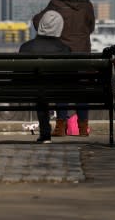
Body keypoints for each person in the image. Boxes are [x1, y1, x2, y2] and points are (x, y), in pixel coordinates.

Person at [32, 0, 95, 137]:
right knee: (81, 90)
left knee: (61, 88)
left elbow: (39, 23)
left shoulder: (55, 4)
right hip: (83, 56)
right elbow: (91, 27)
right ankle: (83, 128)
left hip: (61, 55)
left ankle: (60, 126)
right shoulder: (87, 5)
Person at [19, 11, 71, 144]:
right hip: (58, 91)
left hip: (32, 91)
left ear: (41, 25)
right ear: (59, 28)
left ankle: (45, 133)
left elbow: (18, 75)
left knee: (40, 92)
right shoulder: (65, 49)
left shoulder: (26, 47)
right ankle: (48, 132)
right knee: (46, 90)